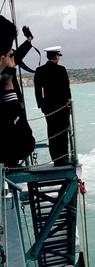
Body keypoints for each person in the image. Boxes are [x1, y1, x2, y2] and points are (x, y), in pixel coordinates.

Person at [0, 15, 35, 167]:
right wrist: (8, 88)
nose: (12, 63)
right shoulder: (7, 70)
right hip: (9, 102)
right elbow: (26, 144)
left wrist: (29, 40)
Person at [34, 46, 72, 166]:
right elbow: (66, 87)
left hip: (48, 107)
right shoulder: (61, 69)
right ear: (56, 56)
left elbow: (37, 90)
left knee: (52, 133)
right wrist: (69, 102)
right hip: (62, 106)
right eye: (58, 56)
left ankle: (56, 159)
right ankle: (63, 158)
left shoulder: (39, 70)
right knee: (63, 132)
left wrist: (41, 105)